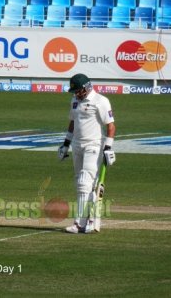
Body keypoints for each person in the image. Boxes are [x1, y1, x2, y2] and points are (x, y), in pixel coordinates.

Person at [58, 73, 116, 234]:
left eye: (78, 90)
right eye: (74, 91)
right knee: (81, 184)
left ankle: (78, 224)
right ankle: (91, 219)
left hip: (94, 145)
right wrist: (65, 144)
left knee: (85, 182)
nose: (76, 94)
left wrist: (108, 148)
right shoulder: (75, 100)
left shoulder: (101, 101)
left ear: (86, 87)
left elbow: (111, 126)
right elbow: (72, 122)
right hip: (77, 146)